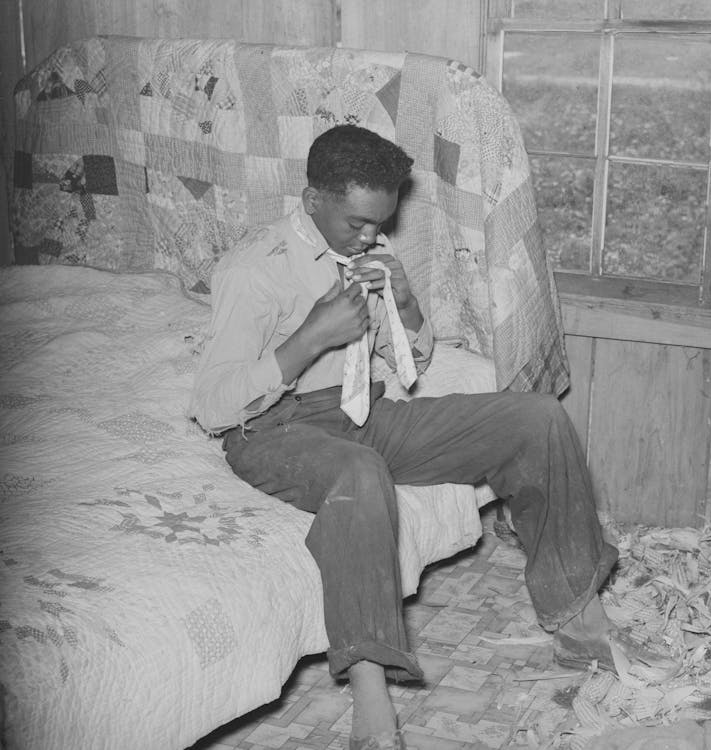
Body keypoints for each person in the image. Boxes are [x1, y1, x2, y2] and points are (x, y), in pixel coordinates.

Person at [188, 124, 656, 750]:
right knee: (358, 475)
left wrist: (404, 305)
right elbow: (213, 406)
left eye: (380, 222)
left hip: (362, 413)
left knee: (536, 416)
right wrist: (308, 340)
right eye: (357, 222)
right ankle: (371, 690)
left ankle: (577, 615)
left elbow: (411, 359)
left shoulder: (363, 252)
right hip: (273, 428)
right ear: (311, 201)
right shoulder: (253, 271)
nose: (371, 235)